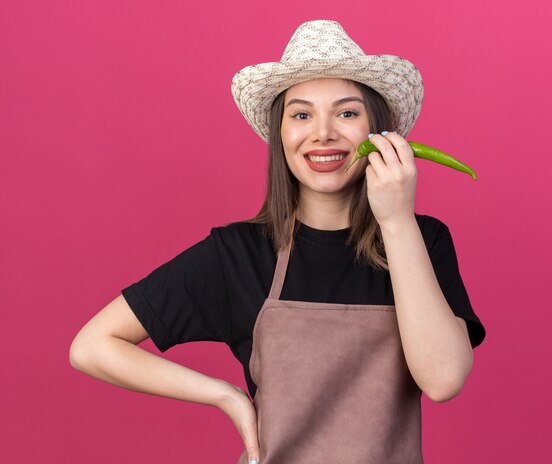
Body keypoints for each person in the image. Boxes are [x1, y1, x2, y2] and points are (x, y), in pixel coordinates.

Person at [70, 19, 486, 463]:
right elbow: (92, 347)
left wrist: (397, 220)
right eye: (301, 114)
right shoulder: (239, 255)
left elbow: (443, 380)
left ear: (377, 130)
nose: (323, 132)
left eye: (347, 112)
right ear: (280, 135)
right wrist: (225, 396)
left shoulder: (422, 240)